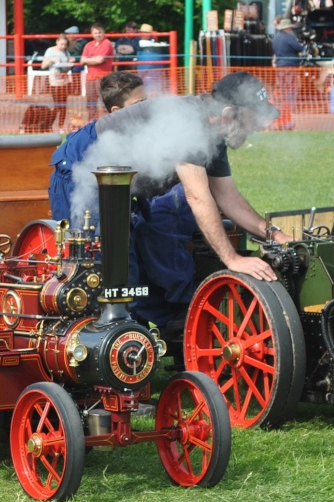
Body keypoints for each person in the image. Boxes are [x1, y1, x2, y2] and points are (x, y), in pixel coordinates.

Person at [71, 72, 287, 336]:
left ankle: (150, 339)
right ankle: (97, 351)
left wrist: (275, 235)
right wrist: (232, 258)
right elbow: (197, 195)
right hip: (81, 170)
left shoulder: (215, 133)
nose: (259, 126)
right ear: (230, 113)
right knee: (107, 269)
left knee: (135, 264)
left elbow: (229, 197)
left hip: (123, 186)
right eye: (255, 118)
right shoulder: (191, 124)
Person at [48, 71, 146, 223]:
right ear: (117, 111)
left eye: (146, 101)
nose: (146, 109)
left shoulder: (134, 132)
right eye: (139, 104)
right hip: (73, 182)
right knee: (87, 240)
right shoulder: (93, 143)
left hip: (102, 186)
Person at [41, 33, 77, 133]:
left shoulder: (66, 52)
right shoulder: (50, 51)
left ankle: (61, 127)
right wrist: (51, 60)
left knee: (64, 105)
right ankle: (48, 125)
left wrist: (70, 61)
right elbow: (43, 66)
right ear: (57, 42)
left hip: (65, 81)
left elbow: (67, 67)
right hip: (55, 81)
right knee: (58, 105)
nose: (63, 46)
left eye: (65, 45)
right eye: (61, 44)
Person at [271, 18, 305, 123]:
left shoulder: (275, 38)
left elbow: (274, 50)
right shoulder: (289, 38)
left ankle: (282, 109)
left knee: (282, 88)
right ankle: (290, 110)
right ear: (288, 28)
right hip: (290, 66)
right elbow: (299, 48)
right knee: (291, 88)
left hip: (280, 66)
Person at [80, 23, 114, 123]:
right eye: (96, 33)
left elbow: (100, 60)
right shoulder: (88, 45)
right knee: (90, 102)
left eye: (100, 32)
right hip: (90, 77)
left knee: (105, 101)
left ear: (103, 32)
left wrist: (88, 60)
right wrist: (94, 59)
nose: (98, 35)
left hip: (104, 77)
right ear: (92, 34)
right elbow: (82, 60)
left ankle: (109, 122)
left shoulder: (107, 43)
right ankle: (92, 123)